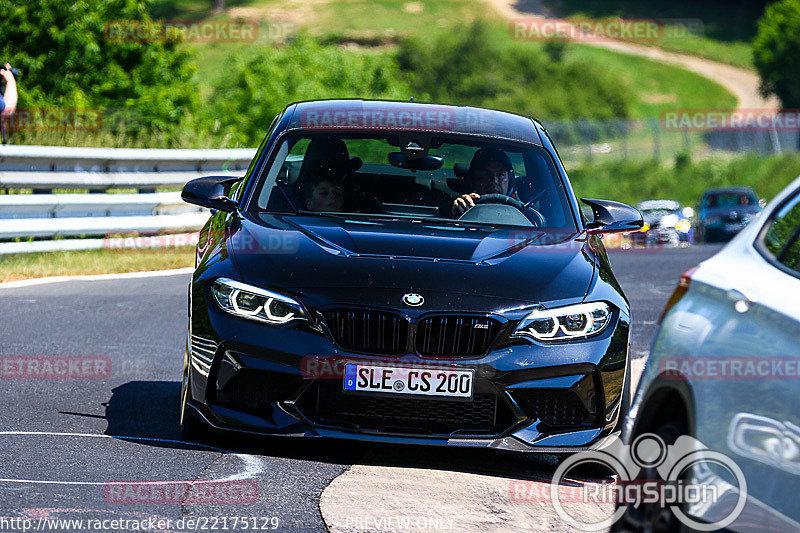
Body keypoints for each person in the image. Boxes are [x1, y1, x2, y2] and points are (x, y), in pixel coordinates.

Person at [451, 147, 516, 217]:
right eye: (486, 175)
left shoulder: (523, 209)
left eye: (500, 175)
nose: (494, 181)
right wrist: (459, 210)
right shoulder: (462, 205)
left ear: (510, 180)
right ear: (473, 179)